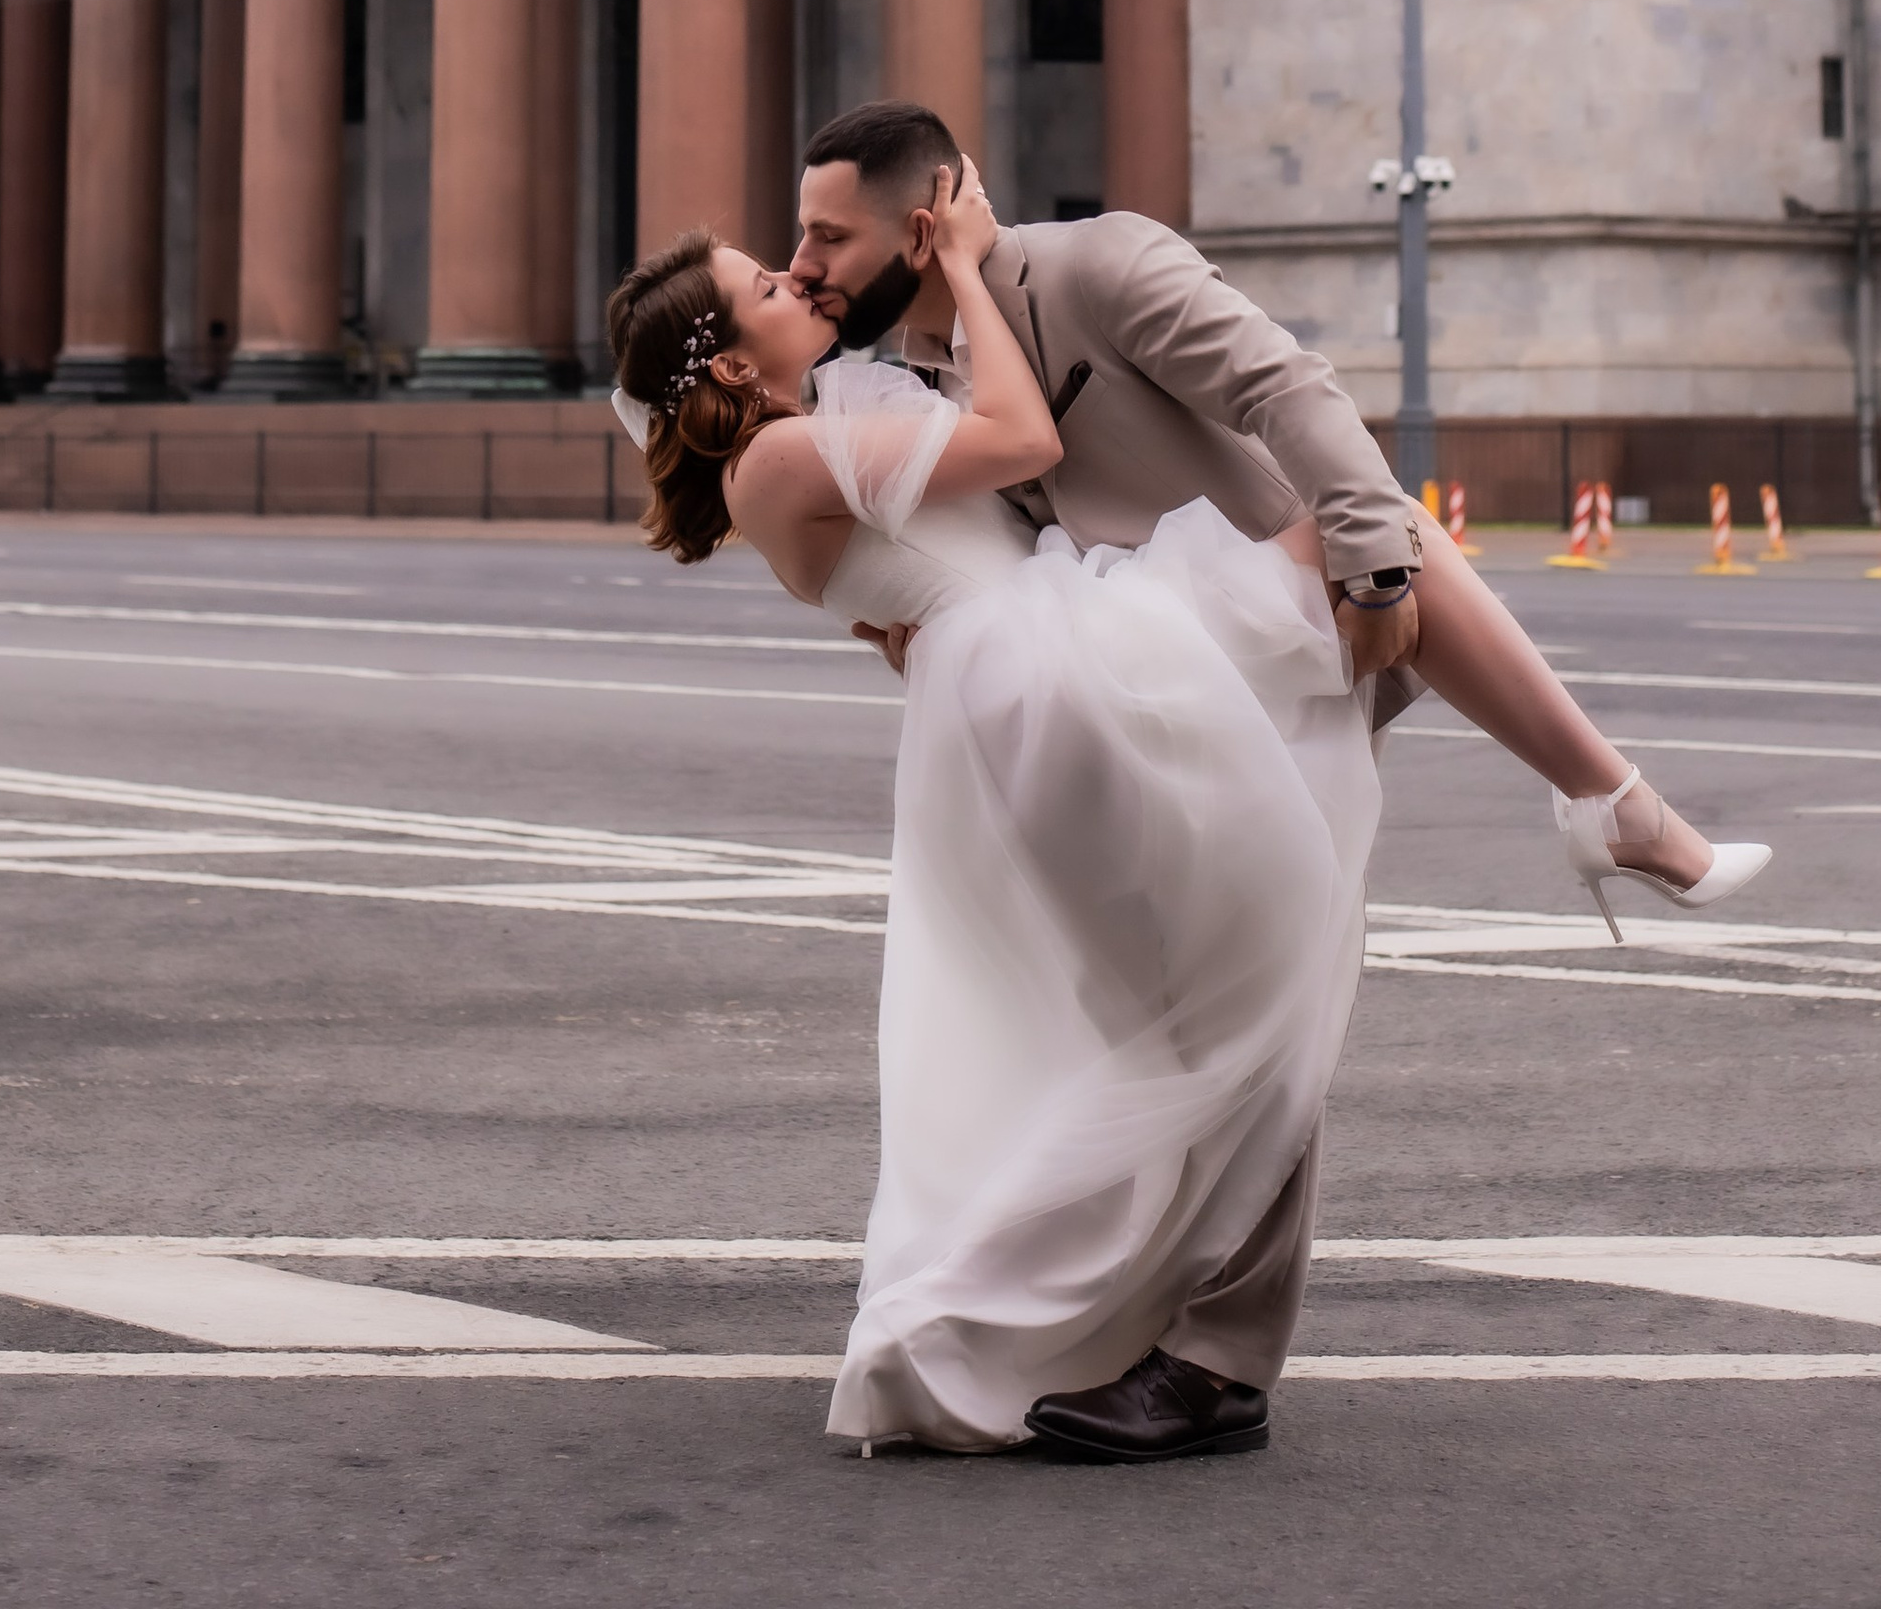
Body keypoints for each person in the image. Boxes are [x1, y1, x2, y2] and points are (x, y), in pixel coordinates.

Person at [776, 95, 1770, 1457]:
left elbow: (1281, 387)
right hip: (1124, 709)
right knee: (1200, 1021)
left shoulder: (1097, 266)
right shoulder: (917, 371)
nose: (811, 261)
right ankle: (1161, 1328)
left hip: (1268, 645)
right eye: (801, 240)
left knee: (1257, 998)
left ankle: (1217, 1362)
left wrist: (1370, 558)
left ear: (933, 204)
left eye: (829, 233)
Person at [607, 166, 1384, 1462]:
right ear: (735, 371)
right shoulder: (790, 450)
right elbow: (1025, 445)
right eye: (764, 284)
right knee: (1238, 979)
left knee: (1181, 1008)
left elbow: (914, 573)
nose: (797, 276)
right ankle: (1133, 1346)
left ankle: (1133, 1336)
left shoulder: (799, 446)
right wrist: (968, 264)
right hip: (1065, 683)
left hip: (1028, 690)